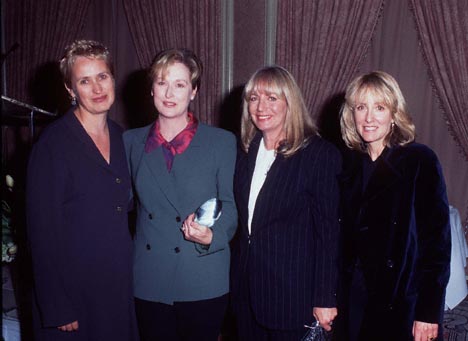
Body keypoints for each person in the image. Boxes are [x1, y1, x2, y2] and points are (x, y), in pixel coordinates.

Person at [26, 40, 138, 340]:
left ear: (113, 78)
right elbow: (41, 232)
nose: (97, 88)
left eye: (102, 76)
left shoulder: (120, 136)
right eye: (84, 81)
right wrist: (57, 305)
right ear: (71, 90)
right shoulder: (53, 145)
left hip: (115, 286)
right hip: (73, 295)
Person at [123, 48, 237, 341]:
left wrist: (212, 236)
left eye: (180, 84)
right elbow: (119, 205)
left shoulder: (221, 142)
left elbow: (230, 205)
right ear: (151, 89)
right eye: (162, 82)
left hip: (202, 276)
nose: (169, 92)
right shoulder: (130, 141)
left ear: (194, 91)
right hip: (149, 277)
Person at [337, 71, 451, 341]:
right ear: (351, 114)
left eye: (379, 107)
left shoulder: (418, 160)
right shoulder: (346, 164)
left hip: (402, 304)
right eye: (361, 107)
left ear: (394, 114)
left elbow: (436, 245)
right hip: (353, 301)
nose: (368, 118)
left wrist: (428, 312)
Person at [230, 65, 342, 340]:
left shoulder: (318, 154)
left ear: (289, 103)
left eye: (272, 98)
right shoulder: (245, 151)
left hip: (293, 298)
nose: (260, 106)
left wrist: (326, 298)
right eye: (254, 98)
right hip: (246, 294)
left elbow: (329, 234)